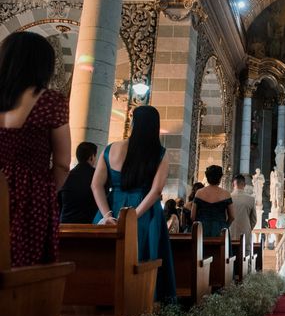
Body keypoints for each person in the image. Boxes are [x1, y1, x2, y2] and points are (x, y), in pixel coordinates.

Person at [91, 105, 176, 302]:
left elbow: (96, 185)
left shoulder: (110, 149)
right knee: (144, 259)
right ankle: (142, 303)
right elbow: (155, 192)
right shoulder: (161, 154)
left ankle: (104, 301)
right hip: (144, 212)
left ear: (134, 123)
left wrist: (106, 216)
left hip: (112, 210)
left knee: (105, 260)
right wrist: (133, 217)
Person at [0, 32, 70, 267]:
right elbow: (62, 163)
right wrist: (45, 191)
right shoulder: (49, 101)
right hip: (32, 195)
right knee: (26, 270)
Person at [59, 142, 99, 224]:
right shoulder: (97, 177)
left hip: (65, 223)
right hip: (89, 224)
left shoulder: (66, 176)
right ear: (91, 157)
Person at [191, 165, 235, 238]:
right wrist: (225, 226)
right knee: (221, 249)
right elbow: (232, 216)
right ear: (220, 178)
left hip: (202, 229)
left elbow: (192, 216)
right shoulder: (226, 194)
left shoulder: (199, 192)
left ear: (207, 177)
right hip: (220, 229)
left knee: (202, 249)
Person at [229, 175, 257, 253]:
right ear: (244, 185)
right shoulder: (251, 199)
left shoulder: (228, 198)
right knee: (245, 255)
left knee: (229, 256)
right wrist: (247, 228)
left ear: (233, 185)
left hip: (230, 233)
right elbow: (254, 220)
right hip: (245, 234)